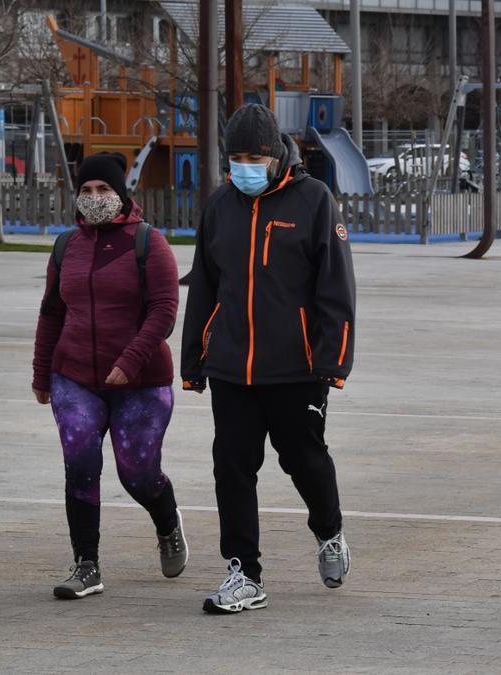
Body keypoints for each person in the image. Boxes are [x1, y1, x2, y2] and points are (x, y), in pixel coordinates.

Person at [181, 103, 357, 614]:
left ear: (277, 155)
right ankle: (244, 573)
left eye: (254, 157)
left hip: (297, 368)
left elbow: (336, 290)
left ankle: (329, 532)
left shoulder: (314, 201)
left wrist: (333, 360)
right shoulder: (220, 206)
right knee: (231, 468)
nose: (245, 168)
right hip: (232, 367)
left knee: (303, 460)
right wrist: (194, 360)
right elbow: (204, 288)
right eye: (236, 158)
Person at [32, 152, 187, 599]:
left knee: (137, 472)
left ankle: (167, 520)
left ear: (121, 195)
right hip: (75, 375)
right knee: (80, 464)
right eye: (86, 190)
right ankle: (87, 566)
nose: (94, 197)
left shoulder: (148, 243)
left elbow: (164, 310)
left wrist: (130, 360)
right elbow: (50, 313)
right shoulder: (65, 247)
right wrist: (42, 374)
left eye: (103, 190)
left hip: (140, 381)